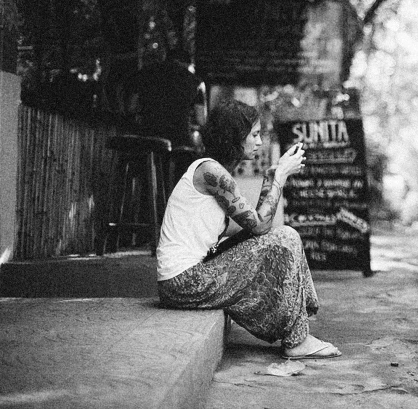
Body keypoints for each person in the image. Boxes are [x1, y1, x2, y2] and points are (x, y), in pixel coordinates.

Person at [156, 99, 341, 360]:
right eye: (254, 135)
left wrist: (269, 178)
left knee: (282, 236)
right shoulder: (211, 172)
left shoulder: (214, 171)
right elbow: (261, 225)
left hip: (187, 277)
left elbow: (256, 227)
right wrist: (280, 178)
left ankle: (298, 330)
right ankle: (297, 340)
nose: (259, 142)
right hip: (184, 283)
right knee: (285, 236)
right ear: (235, 136)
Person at [124, 47, 207, 186]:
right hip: (180, 142)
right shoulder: (195, 82)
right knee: (182, 176)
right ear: (188, 64)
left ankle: (147, 201)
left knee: (147, 177)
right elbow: (201, 119)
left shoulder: (144, 73)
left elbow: (130, 108)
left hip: (147, 139)